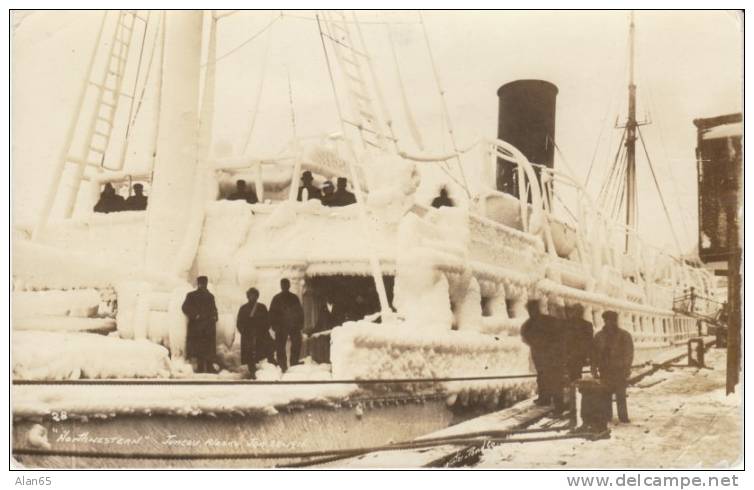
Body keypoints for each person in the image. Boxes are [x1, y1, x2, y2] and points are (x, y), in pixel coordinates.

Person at [521, 299, 566, 411]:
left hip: (549, 355)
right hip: (542, 355)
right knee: (543, 376)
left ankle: (556, 403)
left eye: (533, 309)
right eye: (530, 309)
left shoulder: (544, 321)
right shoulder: (532, 323)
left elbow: (561, 333)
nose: (532, 311)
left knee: (552, 377)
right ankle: (546, 399)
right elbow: (525, 337)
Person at [592, 310, 634, 423]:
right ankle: (607, 416)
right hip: (605, 369)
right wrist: (594, 368)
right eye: (607, 320)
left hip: (619, 369)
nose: (610, 323)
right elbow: (594, 353)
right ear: (604, 321)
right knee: (605, 393)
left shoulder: (624, 335)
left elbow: (629, 353)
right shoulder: (599, 336)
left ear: (615, 321)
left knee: (620, 394)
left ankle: (623, 416)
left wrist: (627, 367)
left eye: (612, 320)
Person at [181, 276, 219, 374]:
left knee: (208, 347)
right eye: (201, 283)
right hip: (197, 326)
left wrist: (215, 317)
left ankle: (209, 367)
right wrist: (195, 315)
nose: (203, 285)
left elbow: (214, 309)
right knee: (199, 347)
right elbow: (185, 307)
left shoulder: (210, 296)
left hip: (208, 326)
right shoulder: (191, 295)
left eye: (204, 283)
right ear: (198, 284)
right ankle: (200, 367)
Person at [236, 288, 275, 379]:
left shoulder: (262, 307)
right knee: (249, 356)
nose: (252, 297)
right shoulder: (243, 308)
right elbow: (239, 322)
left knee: (262, 353)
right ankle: (252, 372)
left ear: (257, 296)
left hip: (260, 335)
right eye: (250, 295)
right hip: (248, 335)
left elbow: (267, 321)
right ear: (247, 296)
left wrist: (262, 331)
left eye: (254, 295)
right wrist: (244, 332)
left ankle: (262, 373)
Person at [269, 278, 305, 372]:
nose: (285, 286)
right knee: (280, 346)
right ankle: (282, 365)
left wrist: (300, 324)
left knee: (297, 343)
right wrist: (274, 325)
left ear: (289, 286)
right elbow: (272, 313)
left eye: (286, 284)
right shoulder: (276, 298)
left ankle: (294, 362)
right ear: (281, 286)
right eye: (283, 285)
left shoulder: (294, 298)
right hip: (281, 327)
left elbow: (299, 312)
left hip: (293, 326)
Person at [565, 303, 594, 382]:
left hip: (575, 356)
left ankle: (572, 391)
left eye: (579, 311)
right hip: (573, 355)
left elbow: (589, 342)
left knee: (573, 377)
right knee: (574, 376)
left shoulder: (567, 324)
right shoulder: (567, 324)